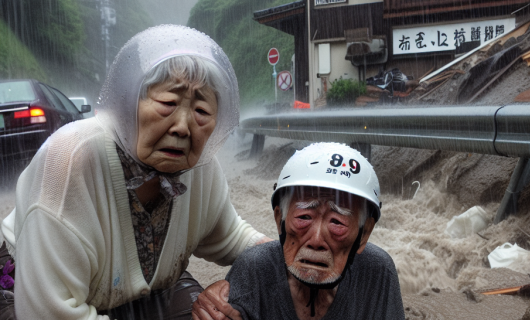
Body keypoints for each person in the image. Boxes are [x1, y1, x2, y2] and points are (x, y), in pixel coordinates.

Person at [0, 25, 270, 319]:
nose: (182, 126)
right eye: (168, 103)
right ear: (128, 103)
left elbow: (230, 237)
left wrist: (293, 250)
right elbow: (48, 312)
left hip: (142, 291)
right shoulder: (69, 161)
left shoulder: (201, 167)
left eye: (202, 112)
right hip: (33, 293)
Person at [193, 143, 405, 320]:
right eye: (304, 217)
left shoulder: (377, 272)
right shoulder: (253, 270)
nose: (316, 240)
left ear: (364, 234)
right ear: (280, 219)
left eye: (337, 222)